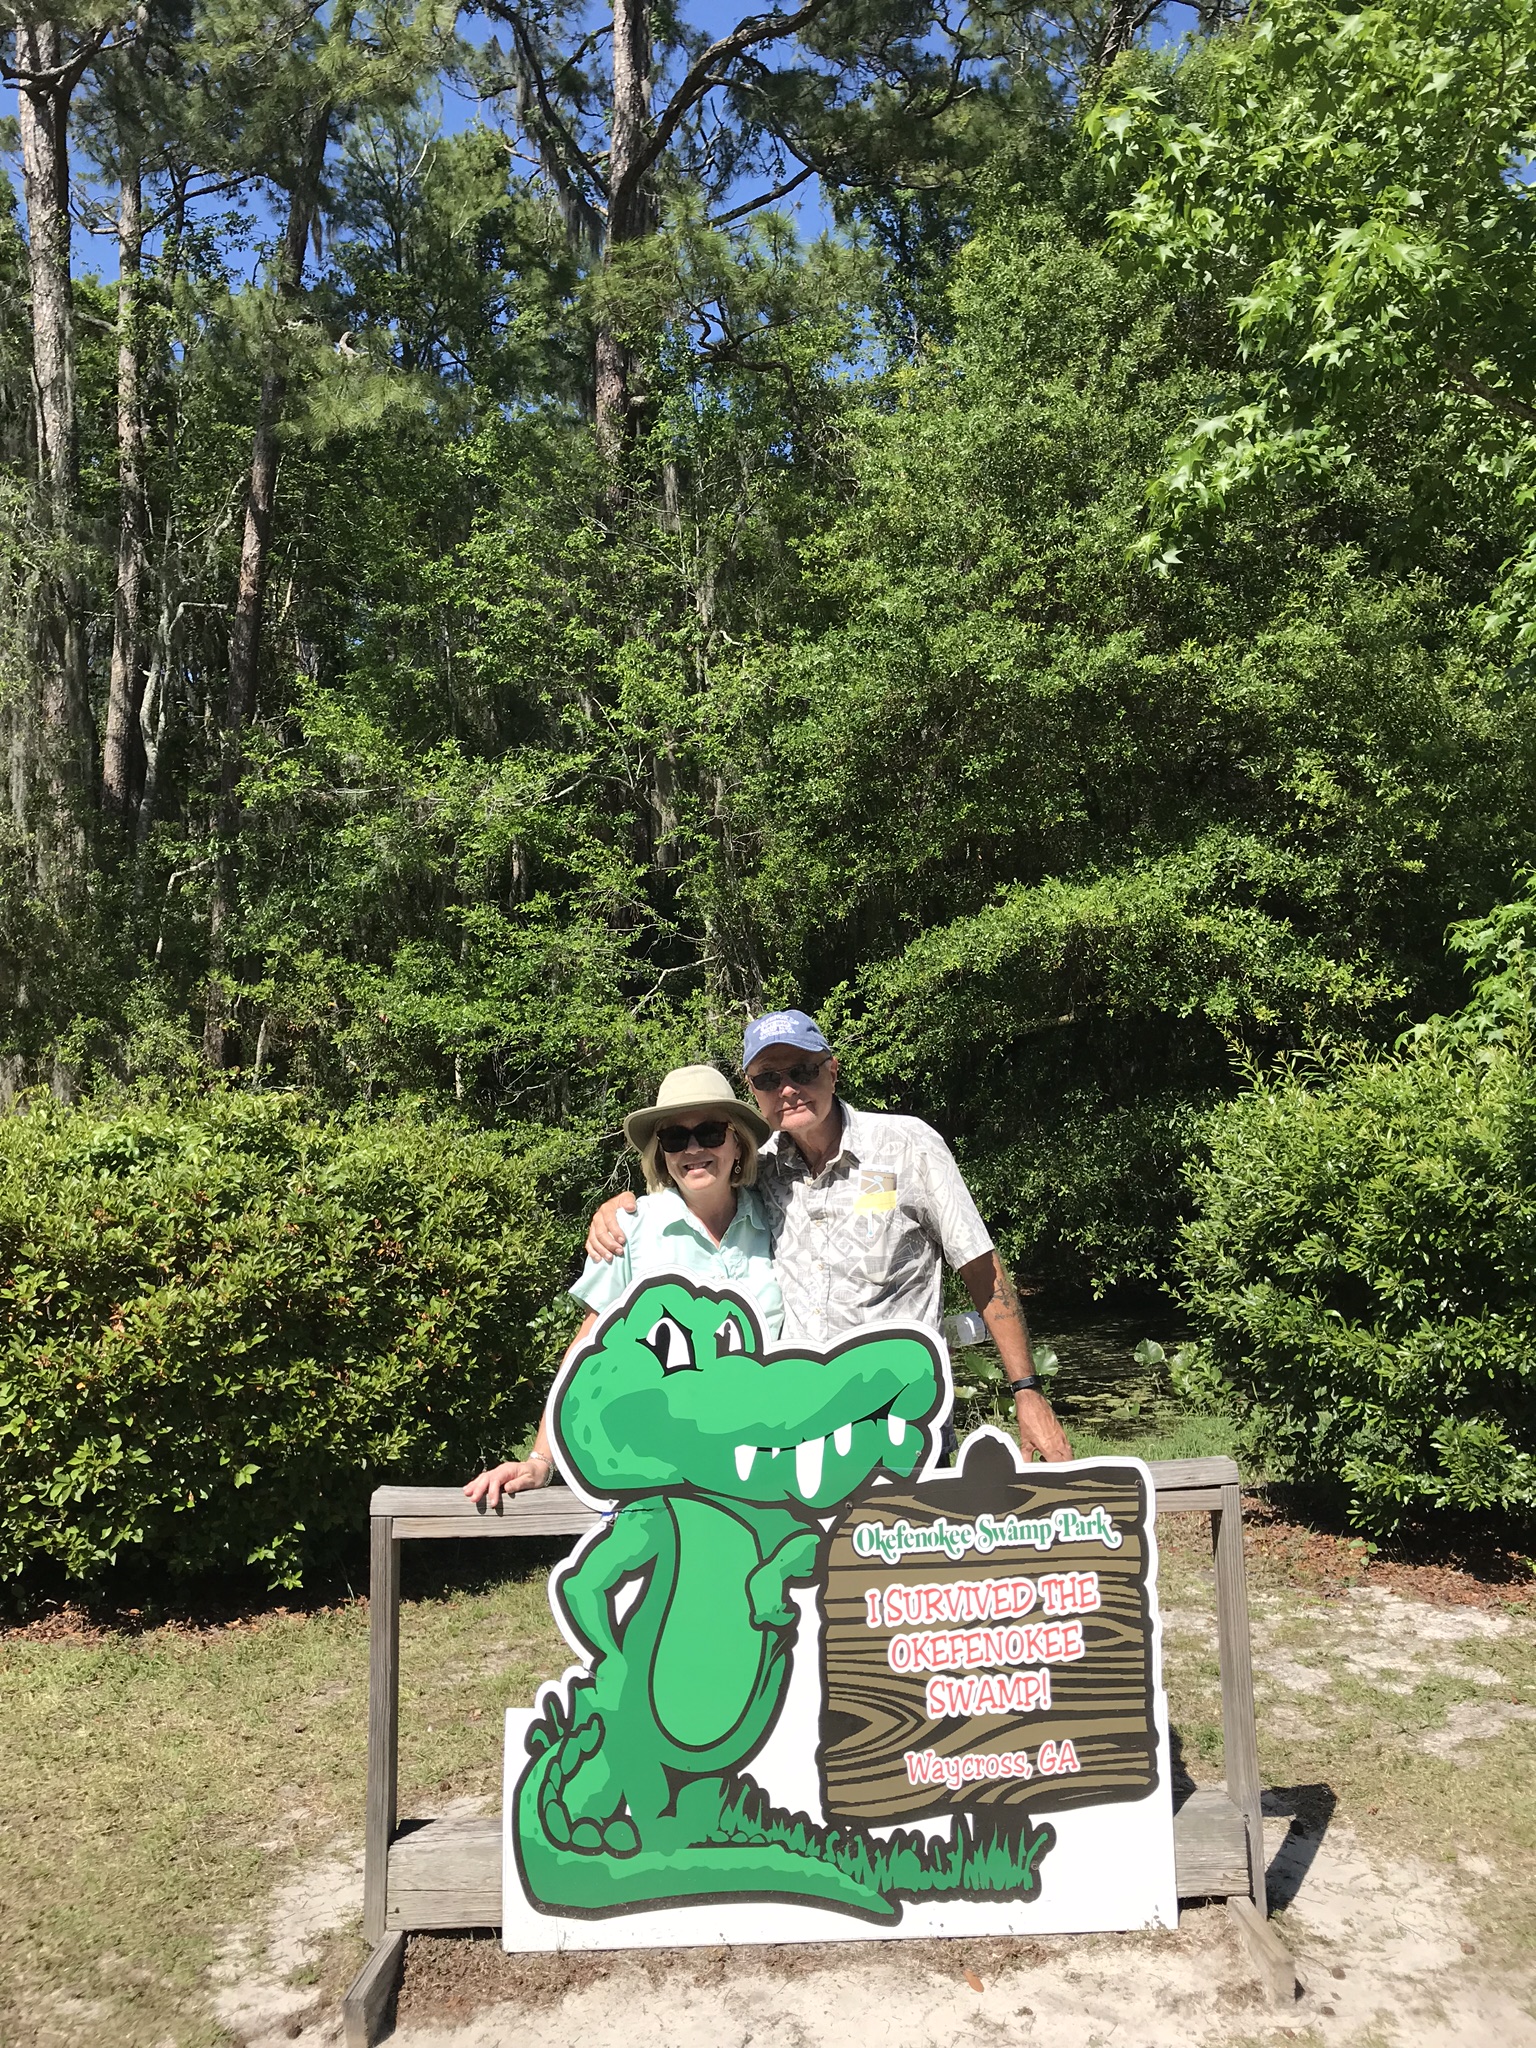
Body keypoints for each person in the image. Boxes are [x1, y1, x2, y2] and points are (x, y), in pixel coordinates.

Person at [585, 1009, 1072, 1465]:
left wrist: (1026, 1390)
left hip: (904, 1423)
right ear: (754, 1092)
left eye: (803, 1071)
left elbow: (982, 1269)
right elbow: (696, 1186)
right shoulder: (760, 1171)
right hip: (800, 1443)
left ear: (832, 1071)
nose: (788, 1089)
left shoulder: (909, 1145)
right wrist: (618, 1212)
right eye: (768, 1079)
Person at [464, 1064, 778, 1506]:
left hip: (770, 1465)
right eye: (675, 1138)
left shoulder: (778, 1216)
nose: (693, 1149)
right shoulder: (629, 1228)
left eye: (710, 1133)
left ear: (737, 1142)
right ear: (661, 1153)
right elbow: (589, 1347)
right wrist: (540, 1460)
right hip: (666, 1477)